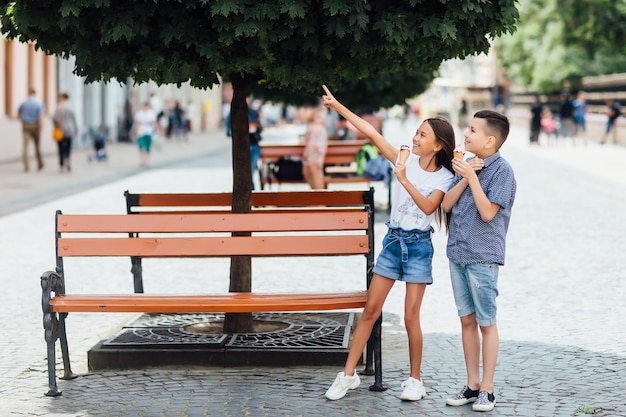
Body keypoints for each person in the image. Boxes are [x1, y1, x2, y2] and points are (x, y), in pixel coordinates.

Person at [321, 85, 455, 401]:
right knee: (370, 310)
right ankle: (348, 374)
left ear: (437, 146)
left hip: (419, 246)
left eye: (423, 135)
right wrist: (338, 106)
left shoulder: (442, 178)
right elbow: (370, 132)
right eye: (417, 132)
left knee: (411, 317)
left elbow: (428, 208)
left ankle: (415, 380)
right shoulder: (403, 159)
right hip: (393, 243)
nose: (416, 137)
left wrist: (403, 178)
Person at [442, 110, 516, 412]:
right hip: (457, 253)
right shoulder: (469, 165)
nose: (466, 134)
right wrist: (465, 174)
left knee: (486, 322)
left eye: (472, 130)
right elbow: (446, 204)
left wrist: (472, 176)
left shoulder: (503, 172)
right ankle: (472, 385)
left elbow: (487, 213)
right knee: (466, 320)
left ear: (490, 140)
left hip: (482, 257)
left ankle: (488, 389)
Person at [17, 89, 46, 172]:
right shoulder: (39, 104)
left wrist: (23, 120)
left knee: (25, 147)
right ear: (34, 94)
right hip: (35, 125)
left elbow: (18, 115)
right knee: (37, 146)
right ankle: (40, 164)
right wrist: (40, 128)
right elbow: (41, 117)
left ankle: (26, 165)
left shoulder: (23, 103)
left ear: (28, 93)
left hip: (25, 125)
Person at [300, 106, 328, 190]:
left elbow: (304, 116)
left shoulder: (316, 102)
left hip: (316, 139)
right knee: (306, 170)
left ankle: (320, 201)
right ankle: (316, 199)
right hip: (311, 138)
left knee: (315, 170)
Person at [52, 92, 78, 173]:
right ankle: (68, 159)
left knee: (60, 148)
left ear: (62, 98)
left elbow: (54, 119)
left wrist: (56, 127)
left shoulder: (59, 108)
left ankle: (61, 165)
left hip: (61, 130)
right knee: (68, 147)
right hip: (70, 130)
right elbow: (74, 120)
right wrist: (76, 130)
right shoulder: (71, 107)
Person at [132, 101, 160, 167]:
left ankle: (147, 159)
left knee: (147, 146)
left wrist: (157, 130)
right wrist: (132, 131)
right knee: (141, 145)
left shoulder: (151, 113)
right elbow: (136, 123)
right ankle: (142, 159)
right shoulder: (139, 113)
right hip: (141, 131)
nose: (145, 107)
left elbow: (154, 122)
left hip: (149, 131)